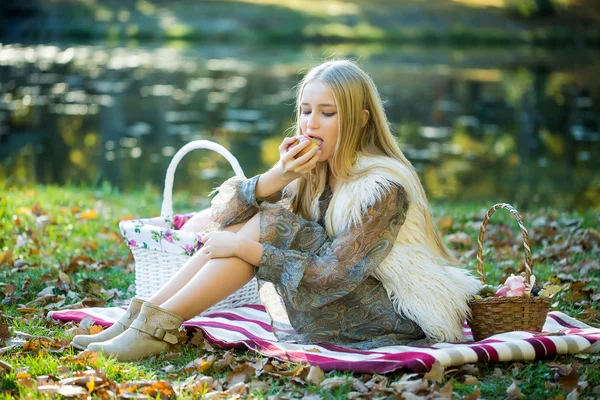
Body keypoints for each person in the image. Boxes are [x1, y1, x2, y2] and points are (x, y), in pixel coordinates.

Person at [71, 59, 482, 361]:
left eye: (328, 113)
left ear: (360, 119)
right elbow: (224, 218)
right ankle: (140, 319)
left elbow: (334, 274)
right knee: (260, 221)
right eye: (305, 111)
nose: (310, 124)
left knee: (264, 229)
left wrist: (248, 252)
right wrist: (277, 176)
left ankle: (154, 328)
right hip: (333, 302)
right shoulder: (311, 169)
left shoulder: (381, 186)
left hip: (388, 315)